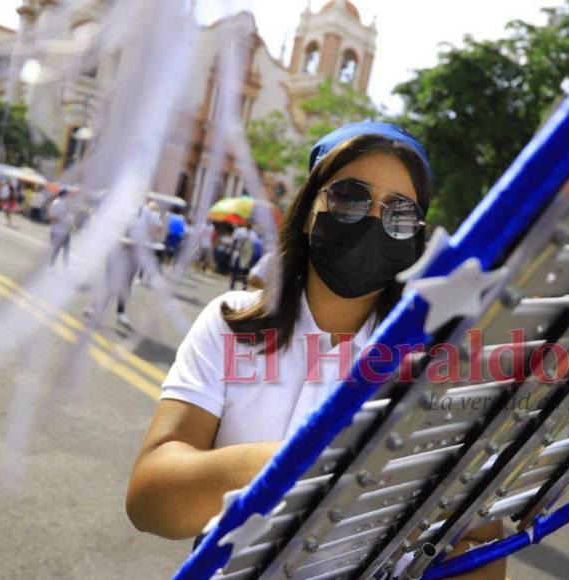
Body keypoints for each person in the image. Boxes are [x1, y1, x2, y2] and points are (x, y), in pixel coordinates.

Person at [126, 122, 506, 578]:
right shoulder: (231, 323)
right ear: (309, 210)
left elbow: (481, 544)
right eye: (349, 198)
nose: (373, 221)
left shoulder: (438, 363)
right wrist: (313, 460)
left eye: (400, 212)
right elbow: (149, 501)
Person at [47, 188, 74, 271]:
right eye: (69, 194)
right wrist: (63, 221)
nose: (70, 196)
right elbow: (52, 217)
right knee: (56, 250)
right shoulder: (56, 203)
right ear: (64, 194)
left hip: (66, 231)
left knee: (67, 250)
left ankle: (66, 267)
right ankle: (51, 267)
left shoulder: (66, 203)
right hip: (58, 231)